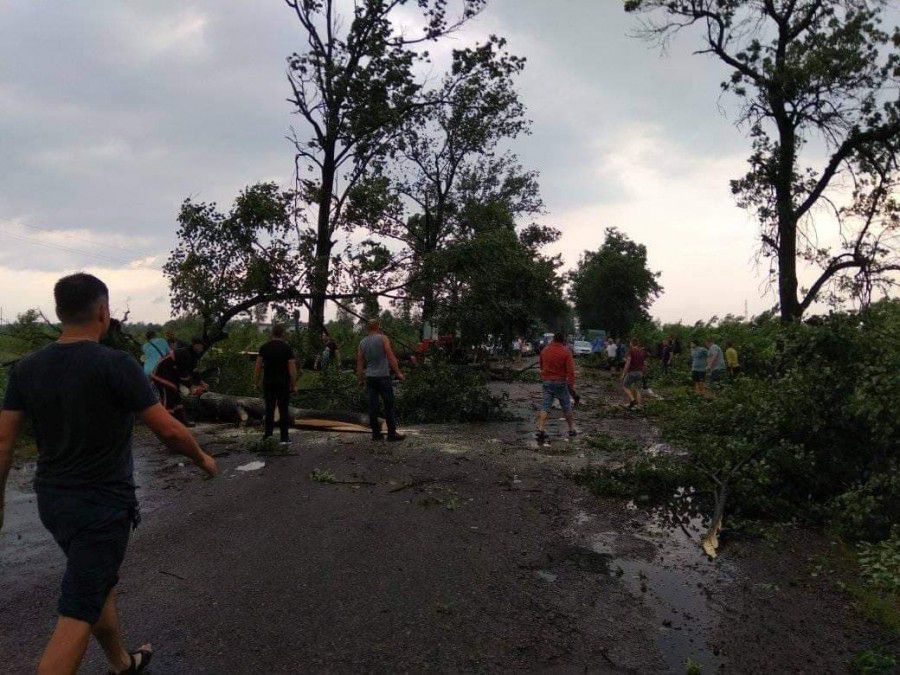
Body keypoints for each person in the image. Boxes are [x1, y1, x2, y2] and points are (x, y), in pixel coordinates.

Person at [0, 273, 219, 675]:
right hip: (101, 509)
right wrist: (203, 458)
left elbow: (3, 444)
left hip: (53, 504)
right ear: (103, 312)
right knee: (78, 610)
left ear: (59, 312)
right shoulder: (115, 364)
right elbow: (168, 429)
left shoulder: (27, 369)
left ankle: (121, 662)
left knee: (96, 586)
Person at [357, 319, 405, 442]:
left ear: (368, 328)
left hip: (370, 378)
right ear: (378, 326)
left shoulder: (362, 342)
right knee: (389, 405)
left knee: (373, 407)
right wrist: (398, 372)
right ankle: (391, 434)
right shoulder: (383, 338)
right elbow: (390, 356)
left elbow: (360, 362)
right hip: (383, 376)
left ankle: (376, 435)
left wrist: (360, 379)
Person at [254, 325, 298, 445]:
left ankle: (268, 435)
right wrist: (294, 384)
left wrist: (256, 382)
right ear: (283, 334)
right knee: (283, 409)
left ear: (272, 334)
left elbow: (258, 366)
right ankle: (284, 437)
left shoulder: (264, 347)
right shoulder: (287, 348)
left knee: (269, 409)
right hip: (283, 383)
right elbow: (292, 368)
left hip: (268, 382)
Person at [536, 332, 577, 442]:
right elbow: (570, 371)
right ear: (563, 340)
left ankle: (540, 428)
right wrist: (571, 386)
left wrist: (545, 375)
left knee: (545, 405)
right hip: (560, 383)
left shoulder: (545, 350)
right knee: (566, 406)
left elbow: (541, 365)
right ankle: (572, 429)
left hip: (547, 382)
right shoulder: (566, 352)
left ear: (553, 339)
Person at [621, 338, 647, 409]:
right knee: (637, 389)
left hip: (632, 372)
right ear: (637, 344)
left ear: (631, 343)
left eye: (630, 343)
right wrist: (644, 373)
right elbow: (645, 364)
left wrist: (623, 373)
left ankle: (632, 400)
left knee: (625, 386)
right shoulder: (642, 352)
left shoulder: (631, 351)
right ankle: (639, 406)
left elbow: (628, 363)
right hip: (640, 373)